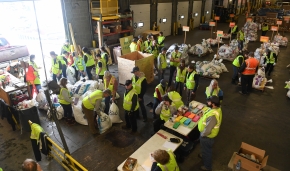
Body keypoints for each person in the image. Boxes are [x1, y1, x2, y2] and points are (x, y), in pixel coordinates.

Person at [198, 96, 222, 171]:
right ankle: (203, 154)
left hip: (207, 137)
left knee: (207, 152)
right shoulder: (216, 109)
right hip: (207, 136)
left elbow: (207, 130)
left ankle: (207, 167)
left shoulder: (213, 116)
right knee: (205, 149)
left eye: (209, 102)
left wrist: (202, 135)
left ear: (213, 104)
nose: (207, 103)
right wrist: (202, 116)